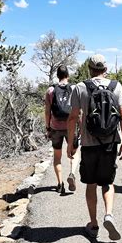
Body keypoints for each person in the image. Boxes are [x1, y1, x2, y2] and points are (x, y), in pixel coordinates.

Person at [67, 54, 122, 240]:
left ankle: (93, 225)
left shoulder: (80, 87)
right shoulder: (116, 86)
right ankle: (108, 214)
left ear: (89, 68)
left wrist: (71, 143)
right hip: (110, 143)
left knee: (91, 184)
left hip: (89, 143)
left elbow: (73, 117)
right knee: (108, 182)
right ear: (105, 69)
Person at [44, 65, 79, 195]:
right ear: (68, 75)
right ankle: (72, 173)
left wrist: (48, 127)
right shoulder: (74, 89)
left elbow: (47, 111)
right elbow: (78, 111)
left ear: (57, 75)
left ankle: (60, 184)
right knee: (74, 153)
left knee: (57, 157)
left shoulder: (50, 90)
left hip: (55, 127)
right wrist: (80, 126)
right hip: (71, 127)